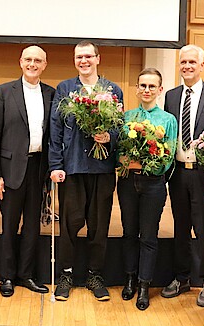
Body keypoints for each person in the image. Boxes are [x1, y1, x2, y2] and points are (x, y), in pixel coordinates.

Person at [49, 40, 123, 301]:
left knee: (99, 225)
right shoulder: (65, 89)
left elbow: (120, 126)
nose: (84, 61)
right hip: (73, 168)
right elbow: (55, 131)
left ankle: (95, 274)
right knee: (69, 224)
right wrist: (55, 165)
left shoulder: (113, 90)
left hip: (102, 170)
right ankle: (66, 274)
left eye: (88, 56)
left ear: (98, 59)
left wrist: (109, 138)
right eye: (79, 57)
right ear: (74, 60)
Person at [162, 44, 204, 307]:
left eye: (192, 62)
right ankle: (181, 278)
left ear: (202, 65)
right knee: (180, 227)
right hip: (178, 173)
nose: (187, 66)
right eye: (183, 62)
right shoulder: (170, 95)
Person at [0, 46, 55, 297]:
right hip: (10, 170)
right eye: (28, 59)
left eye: (38, 60)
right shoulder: (5, 91)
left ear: (45, 65)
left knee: (32, 227)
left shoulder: (51, 93)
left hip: (38, 169)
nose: (33, 64)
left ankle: (26, 274)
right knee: (9, 225)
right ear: (20, 62)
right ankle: (6, 276)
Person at [117, 68, 177, 310]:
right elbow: (119, 154)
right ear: (136, 88)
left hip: (153, 184)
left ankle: (144, 285)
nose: (146, 90)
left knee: (148, 236)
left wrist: (139, 162)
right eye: (142, 85)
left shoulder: (168, 121)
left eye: (152, 86)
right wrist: (128, 162)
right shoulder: (126, 117)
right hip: (127, 183)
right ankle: (130, 279)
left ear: (160, 90)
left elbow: (168, 157)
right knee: (129, 233)